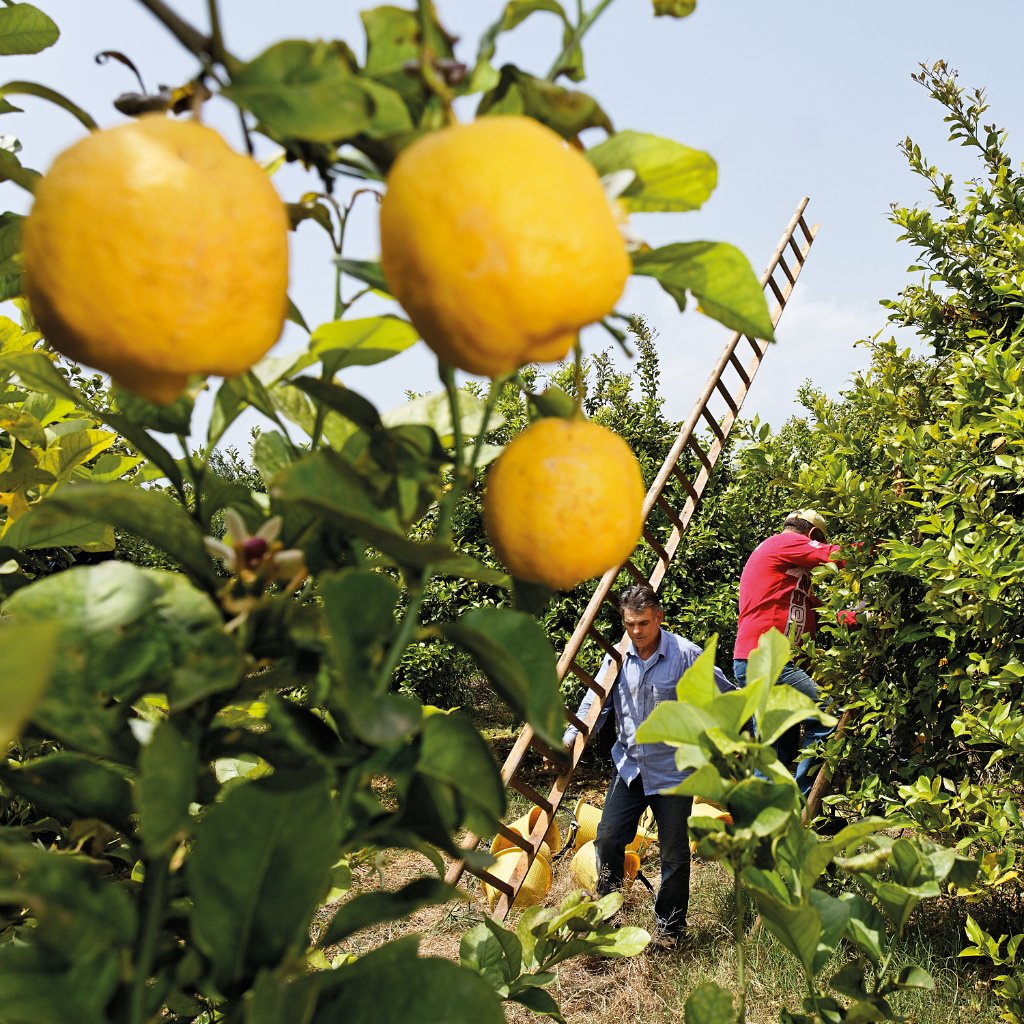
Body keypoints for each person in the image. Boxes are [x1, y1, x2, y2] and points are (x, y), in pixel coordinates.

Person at [562, 583, 734, 946]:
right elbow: (595, 704)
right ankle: (608, 915)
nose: (636, 632)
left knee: (673, 853)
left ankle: (669, 930)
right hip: (630, 767)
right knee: (607, 838)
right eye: (629, 624)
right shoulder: (617, 657)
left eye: (643, 623)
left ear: (659, 617)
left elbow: (726, 696)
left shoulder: (685, 655)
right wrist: (570, 737)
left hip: (672, 773)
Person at [733, 509, 843, 797]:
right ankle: (803, 797)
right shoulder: (784, 542)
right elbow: (835, 555)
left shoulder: (793, 579)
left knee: (776, 751)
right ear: (812, 535)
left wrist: (859, 616)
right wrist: (880, 551)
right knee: (826, 711)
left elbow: (823, 612)